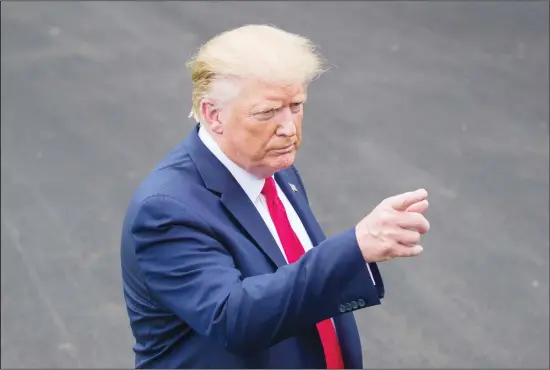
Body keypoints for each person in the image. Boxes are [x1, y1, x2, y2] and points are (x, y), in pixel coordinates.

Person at [120, 24, 430, 369]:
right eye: (267, 112)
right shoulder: (166, 209)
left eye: (296, 105)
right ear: (213, 114)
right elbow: (233, 319)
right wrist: (354, 248)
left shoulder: (273, 168)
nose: (288, 128)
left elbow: (293, 288)